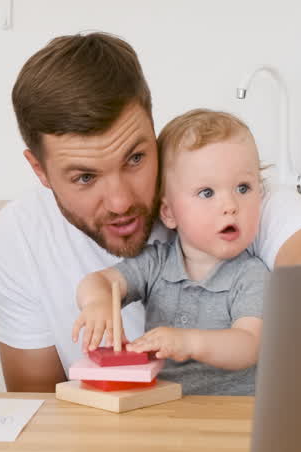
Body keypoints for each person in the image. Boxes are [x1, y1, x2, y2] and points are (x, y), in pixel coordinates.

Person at [0, 32, 301, 392]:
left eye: (135, 158)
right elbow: (38, 408)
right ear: (39, 170)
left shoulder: (241, 206)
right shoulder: (19, 234)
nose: (119, 202)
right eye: (85, 177)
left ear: (153, 126)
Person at [72, 109, 268, 396]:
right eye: (207, 193)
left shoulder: (251, 274)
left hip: (231, 417)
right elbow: (97, 282)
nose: (230, 205)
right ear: (169, 212)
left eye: (243, 187)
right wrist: (97, 303)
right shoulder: (156, 263)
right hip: (164, 408)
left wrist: (189, 343)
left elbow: (249, 345)